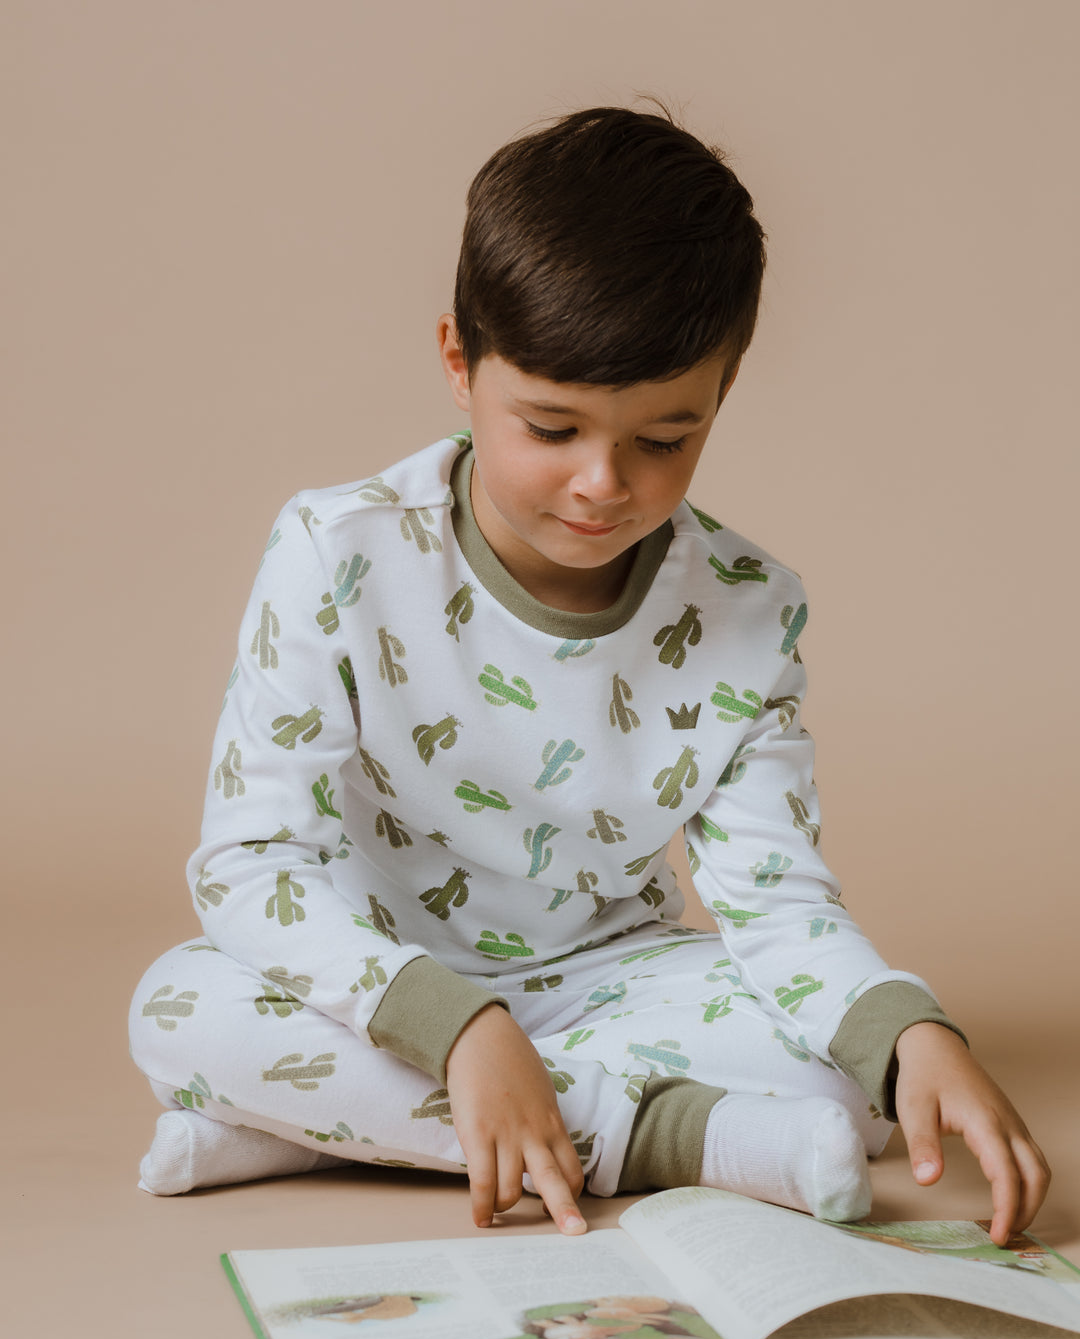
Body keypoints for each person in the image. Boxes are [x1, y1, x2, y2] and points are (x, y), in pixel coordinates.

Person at [129, 101, 1051, 1246]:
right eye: (552, 428)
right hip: (368, 981)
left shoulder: (748, 608)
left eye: (664, 439)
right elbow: (253, 860)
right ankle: (656, 1136)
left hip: (611, 980)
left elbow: (776, 901)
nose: (602, 485)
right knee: (177, 1007)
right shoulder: (338, 551)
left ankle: (322, 1127)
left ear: (723, 394)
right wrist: (459, 1027)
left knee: (841, 1082)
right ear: (459, 363)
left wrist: (915, 1037)